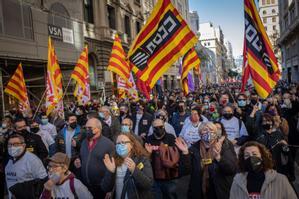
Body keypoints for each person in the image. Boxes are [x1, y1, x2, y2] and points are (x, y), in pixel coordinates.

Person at [230, 141, 297, 199]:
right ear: (243, 159)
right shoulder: (237, 181)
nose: (251, 157)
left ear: (262, 157)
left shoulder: (280, 180)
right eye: (247, 155)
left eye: (254, 154)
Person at [188, 122, 237, 199]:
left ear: (216, 132)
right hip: (199, 191)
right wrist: (184, 154)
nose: (208, 132)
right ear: (200, 133)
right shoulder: (193, 149)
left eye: (211, 130)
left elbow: (231, 169)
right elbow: (186, 170)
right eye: (205, 130)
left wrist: (218, 158)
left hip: (219, 191)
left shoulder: (225, 146)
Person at [145, 118, 190, 199]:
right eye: (156, 127)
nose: (159, 129)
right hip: (155, 177)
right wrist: (148, 153)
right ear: (152, 128)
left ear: (164, 126)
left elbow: (176, 157)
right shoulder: (149, 139)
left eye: (161, 126)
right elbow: (146, 159)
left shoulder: (171, 137)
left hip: (170, 177)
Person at [103, 133, 153, 199]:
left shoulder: (141, 160)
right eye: (118, 143)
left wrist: (134, 170)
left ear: (131, 145)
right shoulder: (113, 161)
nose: (120, 145)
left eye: (123, 142)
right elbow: (105, 188)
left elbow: (148, 184)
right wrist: (111, 172)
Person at [247, 113, 295, 181]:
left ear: (272, 122)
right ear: (261, 123)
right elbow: (249, 126)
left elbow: (286, 152)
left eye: (268, 120)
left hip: (278, 166)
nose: (266, 122)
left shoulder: (278, 133)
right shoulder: (258, 134)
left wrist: (285, 145)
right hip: (264, 166)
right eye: (264, 121)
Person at [74, 118, 114, 198]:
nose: (86, 130)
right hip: (85, 186)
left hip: (101, 188)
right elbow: (83, 157)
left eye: (89, 128)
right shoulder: (84, 142)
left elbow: (113, 169)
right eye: (86, 128)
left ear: (98, 129)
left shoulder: (108, 144)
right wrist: (78, 162)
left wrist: (110, 189)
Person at [5, 134, 48, 199]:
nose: (12, 147)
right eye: (9, 144)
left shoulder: (33, 160)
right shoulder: (9, 160)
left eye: (16, 144)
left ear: (24, 145)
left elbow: (43, 181)